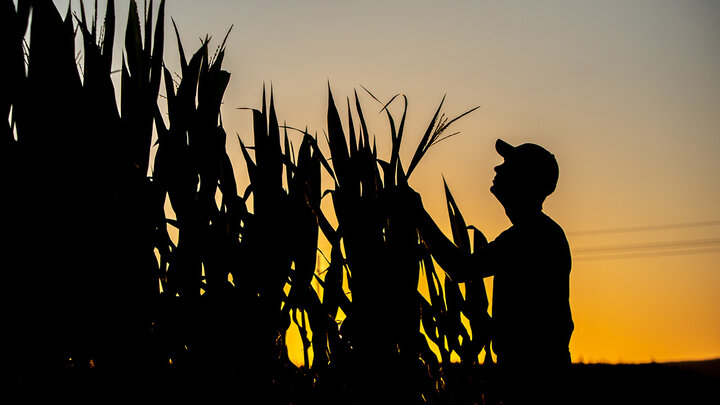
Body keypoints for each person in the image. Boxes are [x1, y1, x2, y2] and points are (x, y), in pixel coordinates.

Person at [409, 139, 573, 404]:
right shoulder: (540, 233)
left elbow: (460, 268)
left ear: (523, 180)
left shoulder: (528, 237)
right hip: (537, 374)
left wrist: (417, 214)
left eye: (507, 165)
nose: (497, 169)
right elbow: (533, 314)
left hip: (533, 380)